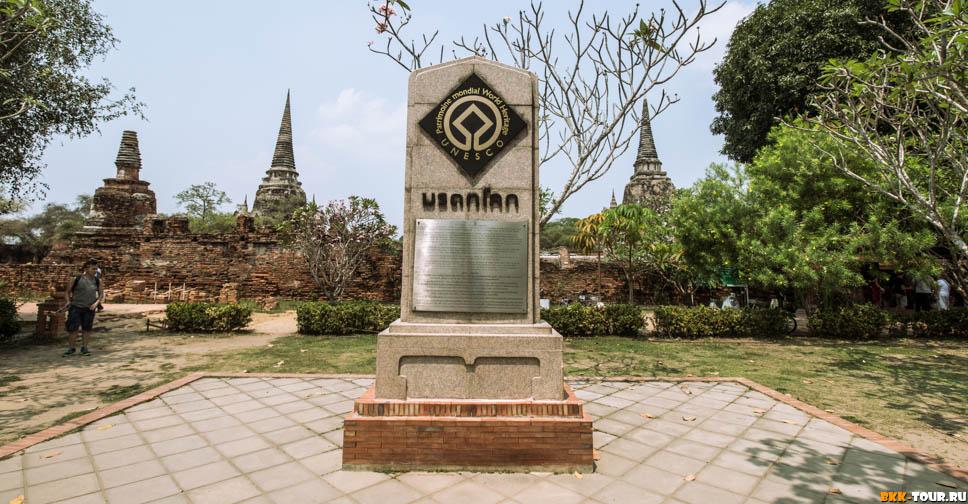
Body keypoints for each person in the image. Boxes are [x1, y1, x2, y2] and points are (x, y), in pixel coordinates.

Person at [63, 259, 104, 356]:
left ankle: (84, 348)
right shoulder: (76, 279)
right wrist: (68, 301)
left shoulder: (98, 281)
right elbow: (67, 292)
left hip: (89, 308)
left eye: (96, 269)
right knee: (73, 329)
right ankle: (71, 348)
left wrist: (96, 303)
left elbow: (101, 294)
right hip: (76, 307)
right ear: (86, 269)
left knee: (87, 329)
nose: (95, 271)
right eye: (93, 269)